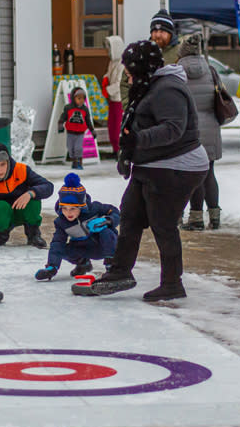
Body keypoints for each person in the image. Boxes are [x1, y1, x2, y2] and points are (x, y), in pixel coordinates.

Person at [86, 40, 208, 302]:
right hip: (152, 164)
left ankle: (172, 284)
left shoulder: (168, 89)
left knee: (162, 223)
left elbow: (174, 128)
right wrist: (128, 152)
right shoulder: (150, 86)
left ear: (142, 68)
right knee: (130, 216)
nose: (128, 75)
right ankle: (120, 272)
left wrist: (137, 141)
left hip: (177, 165)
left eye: (130, 69)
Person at [34, 173, 120, 281]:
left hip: (103, 246)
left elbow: (115, 212)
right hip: (83, 248)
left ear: (82, 206)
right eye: (64, 208)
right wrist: (52, 266)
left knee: (106, 232)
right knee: (62, 249)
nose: (68, 213)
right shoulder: (61, 222)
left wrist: (108, 220)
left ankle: (111, 265)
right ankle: (83, 263)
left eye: (73, 209)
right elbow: (57, 243)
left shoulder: (95, 209)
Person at [177, 34, 223, 231]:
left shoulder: (178, 71)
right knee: (209, 172)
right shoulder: (210, 69)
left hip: (190, 129)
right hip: (211, 126)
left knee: (193, 174)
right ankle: (215, 216)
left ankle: (196, 218)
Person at [57, 86, 96, 169]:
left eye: (83, 99)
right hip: (70, 132)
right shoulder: (68, 108)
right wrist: (60, 124)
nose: (81, 101)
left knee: (78, 148)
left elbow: (88, 120)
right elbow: (63, 117)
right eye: (79, 98)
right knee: (70, 148)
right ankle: (74, 161)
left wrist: (92, 130)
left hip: (80, 133)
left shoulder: (85, 109)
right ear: (73, 98)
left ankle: (79, 162)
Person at [101, 35, 126, 154]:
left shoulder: (122, 64)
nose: (108, 51)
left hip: (119, 99)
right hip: (112, 99)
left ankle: (119, 149)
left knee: (117, 126)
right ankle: (114, 147)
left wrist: (108, 90)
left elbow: (119, 83)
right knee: (111, 125)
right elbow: (108, 74)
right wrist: (105, 79)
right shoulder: (112, 62)